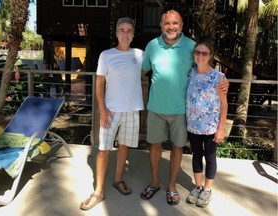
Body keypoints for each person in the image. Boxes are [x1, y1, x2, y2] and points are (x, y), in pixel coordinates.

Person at [140, 9, 228, 206]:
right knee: (154, 146)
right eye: (167, 23)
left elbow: (204, 65)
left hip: (181, 111)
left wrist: (222, 81)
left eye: (175, 23)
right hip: (155, 107)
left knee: (177, 147)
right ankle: (155, 182)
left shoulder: (190, 46)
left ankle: (171, 186)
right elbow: (142, 70)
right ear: (161, 26)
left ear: (181, 26)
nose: (171, 27)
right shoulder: (152, 46)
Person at [80, 17, 144, 211]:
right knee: (103, 150)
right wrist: (102, 109)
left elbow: (157, 71)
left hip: (132, 110)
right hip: (110, 110)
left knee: (124, 147)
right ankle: (98, 191)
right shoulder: (106, 55)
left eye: (129, 30)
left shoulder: (140, 55)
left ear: (133, 34)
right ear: (116, 33)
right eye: (122, 30)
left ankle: (118, 180)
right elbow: (99, 83)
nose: (125, 34)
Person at [185, 40, 228, 208]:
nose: (200, 56)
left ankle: (207, 189)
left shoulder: (218, 77)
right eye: (197, 52)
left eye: (204, 53)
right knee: (196, 156)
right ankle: (198, 186)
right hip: (193, 126)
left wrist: (221, 128)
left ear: (210, 56)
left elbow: (224, 104)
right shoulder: (190, 73)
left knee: (210, 157)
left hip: (210, 127)